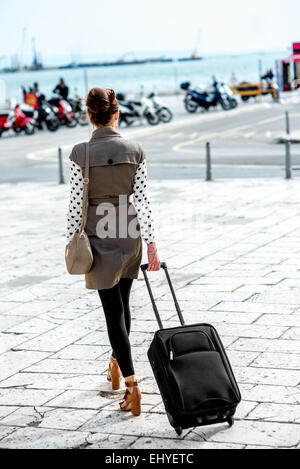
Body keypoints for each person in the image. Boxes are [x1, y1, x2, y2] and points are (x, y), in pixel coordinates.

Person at [66, 87, 160, 416]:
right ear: (116, 114)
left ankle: (133, 387)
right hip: (130, 231)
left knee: (112, 312)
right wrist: (151, 245)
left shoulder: (80, 153)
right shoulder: (136, 150)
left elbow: (76, 203)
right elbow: (143, 202)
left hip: (98, 236)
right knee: (123, 304)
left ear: (90, 116)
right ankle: (116, 366)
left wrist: (70, 242)